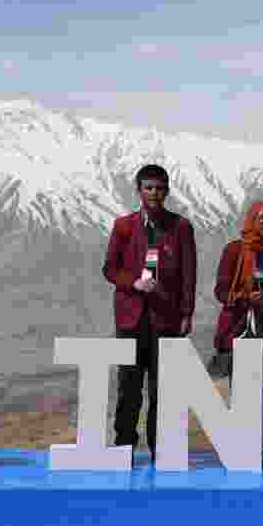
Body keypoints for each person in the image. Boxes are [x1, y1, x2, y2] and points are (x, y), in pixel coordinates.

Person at [102, 164, 197, 458]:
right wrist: (134, 283)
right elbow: (110, 269)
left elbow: (189, 276)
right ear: (139, 191)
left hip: (166, 319)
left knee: (163, 390)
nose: (154, 193)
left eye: (159, 188)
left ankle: (162, 451)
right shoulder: (124, 226)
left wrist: (186, 314)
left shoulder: (180, 227)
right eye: (148, 188)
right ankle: (123, 449)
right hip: (131, 319)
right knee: (129, 389)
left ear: (167, 190)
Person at [212, 201, 263, 469]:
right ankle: (241, 450)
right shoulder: (235, 251)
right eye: (262, 218)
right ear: (251, 220)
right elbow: (221, 291)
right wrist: (245, 297)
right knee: (244, 393)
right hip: (244, 328)